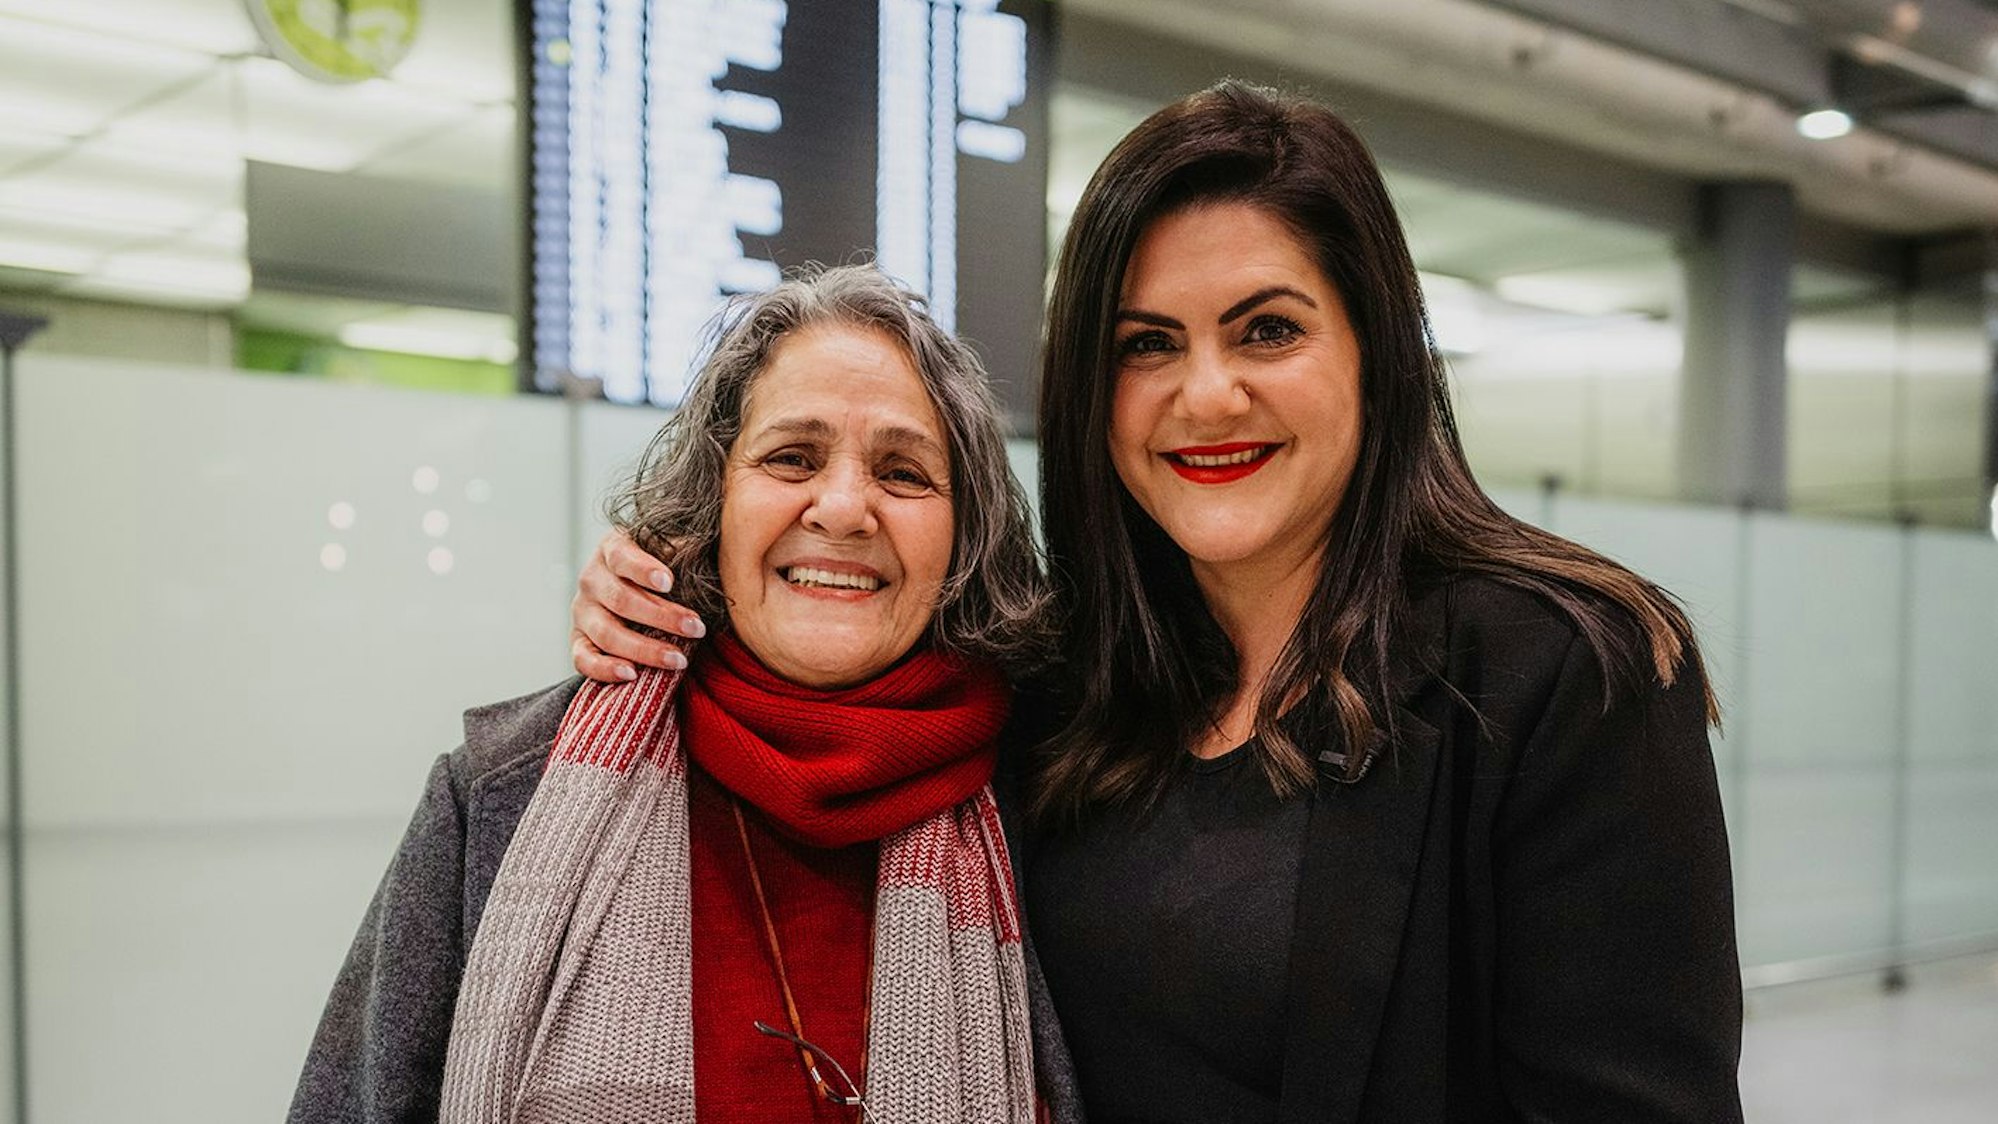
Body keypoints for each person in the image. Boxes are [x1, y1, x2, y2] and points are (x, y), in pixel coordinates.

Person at [569, 83, 1744, 1122]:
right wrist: (665, 593)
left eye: (1267, 329)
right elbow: (837, 648)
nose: (1207, 393)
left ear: (1376, 352)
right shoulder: (1061, 679)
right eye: (1148, 344)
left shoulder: (1564, 670)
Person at [289, 265, 1083, 1124]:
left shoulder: (1058, 791)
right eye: (791, 457)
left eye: (903, 473)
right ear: (715, 497)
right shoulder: (498, 795)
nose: (843, 509)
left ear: (966, 532)